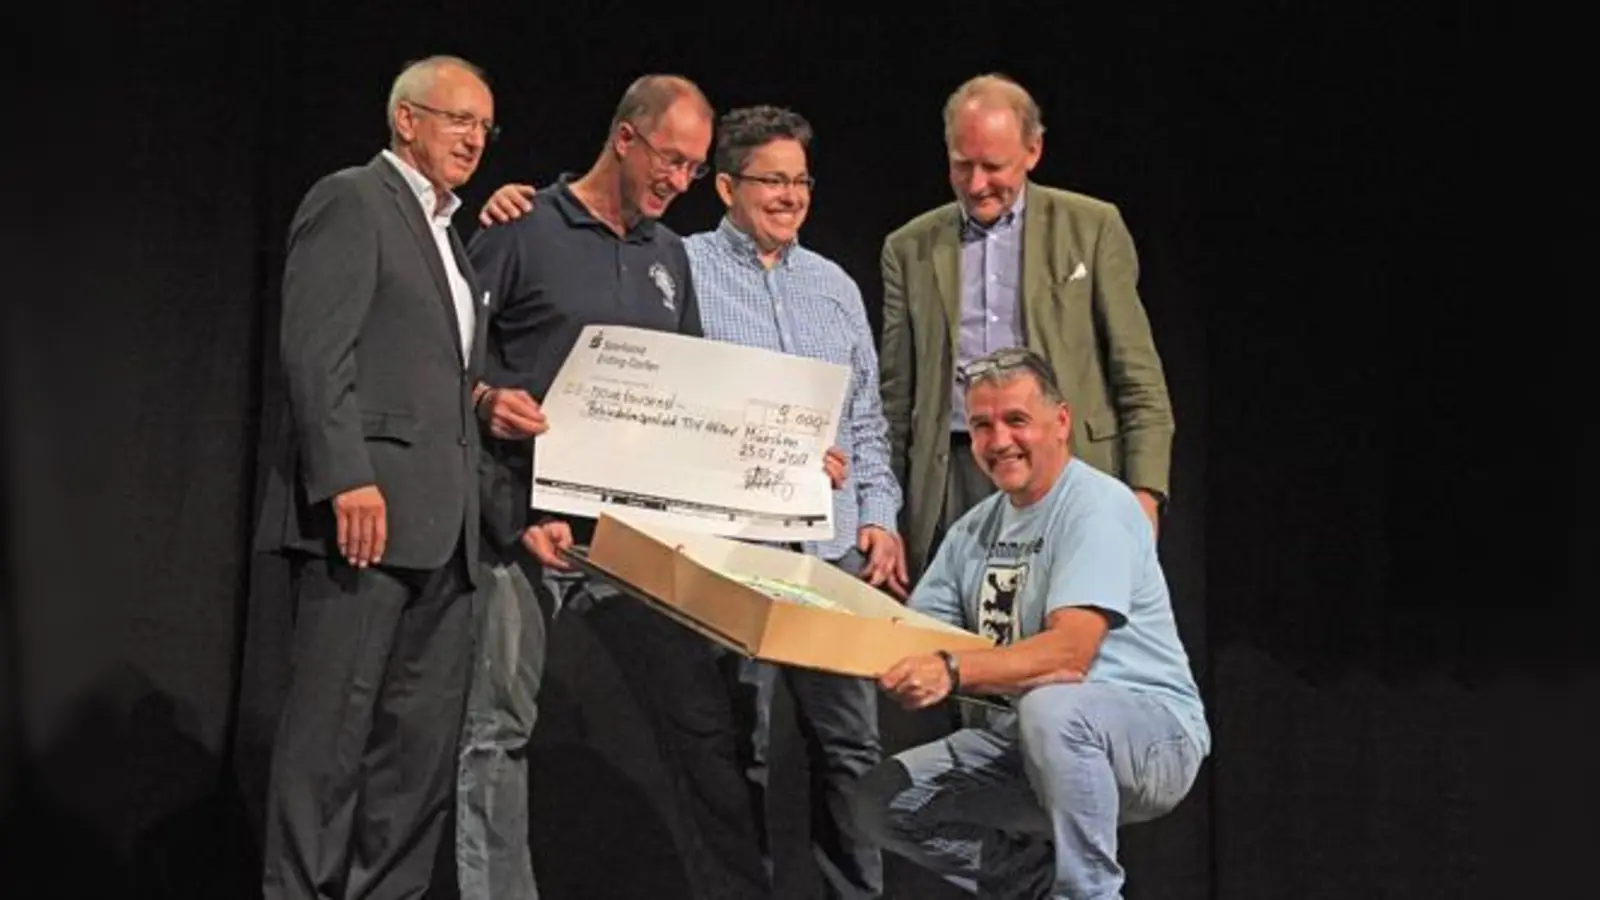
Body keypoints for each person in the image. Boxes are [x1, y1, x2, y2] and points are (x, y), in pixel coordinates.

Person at [461, 75, 773, 900]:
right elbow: (446, 364)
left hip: (629, 542)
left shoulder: (668, 256)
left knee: (703, 727)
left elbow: (690, 396)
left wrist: (783, 458)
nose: (680, 181)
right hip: (523, 531)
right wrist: (488, 403)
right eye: (671, 159)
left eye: (696, 169)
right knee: (495, 733)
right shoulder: (522, 226)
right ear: (625, 138)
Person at [253, 55, 506, 899]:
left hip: (449, 533)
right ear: (407, 120)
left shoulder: (447, 235)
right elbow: (315, 352)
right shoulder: (352, 200)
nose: (474, 138)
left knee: (418, 754)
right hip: (366, 519)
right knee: (329, 743)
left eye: (483, 126)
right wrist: (345, 478)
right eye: (458, 119)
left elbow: (433, 370)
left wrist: (489, 402)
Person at [848, 346, 1209, 899]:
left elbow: (1070, 655)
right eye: (982, 425)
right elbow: (913, 638)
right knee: (884, 800)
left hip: (1154, 739)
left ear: (1061, 422)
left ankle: (1089, 894)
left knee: (1052, 705)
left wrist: (951, 670)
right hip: (1033, 742)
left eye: (1017, 420)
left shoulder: (1097, 507)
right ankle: (1037, 889)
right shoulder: (973, 529)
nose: (998, 442)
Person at [682, 105, 901, 898]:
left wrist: (878, 515)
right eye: (772, 179)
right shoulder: (684, 271)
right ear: (726, 185)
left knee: (851, 752)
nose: (790, 195)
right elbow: (671, 413)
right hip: (735, 550)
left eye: (800, 179)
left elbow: (867, 422)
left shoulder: (834, 286)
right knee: (741, 748)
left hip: (830, 553)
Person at [879, 73, 1176, 579]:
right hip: (955, 474)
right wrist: (884, 513)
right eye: (961, 166)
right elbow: (895, 401)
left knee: (1064, 630)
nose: (976, 185)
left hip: (1069, 467)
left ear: (1033, 151)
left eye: (993, 167)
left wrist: (1144, 496)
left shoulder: (1092, 227)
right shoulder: (909, 248)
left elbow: (1138, 376)